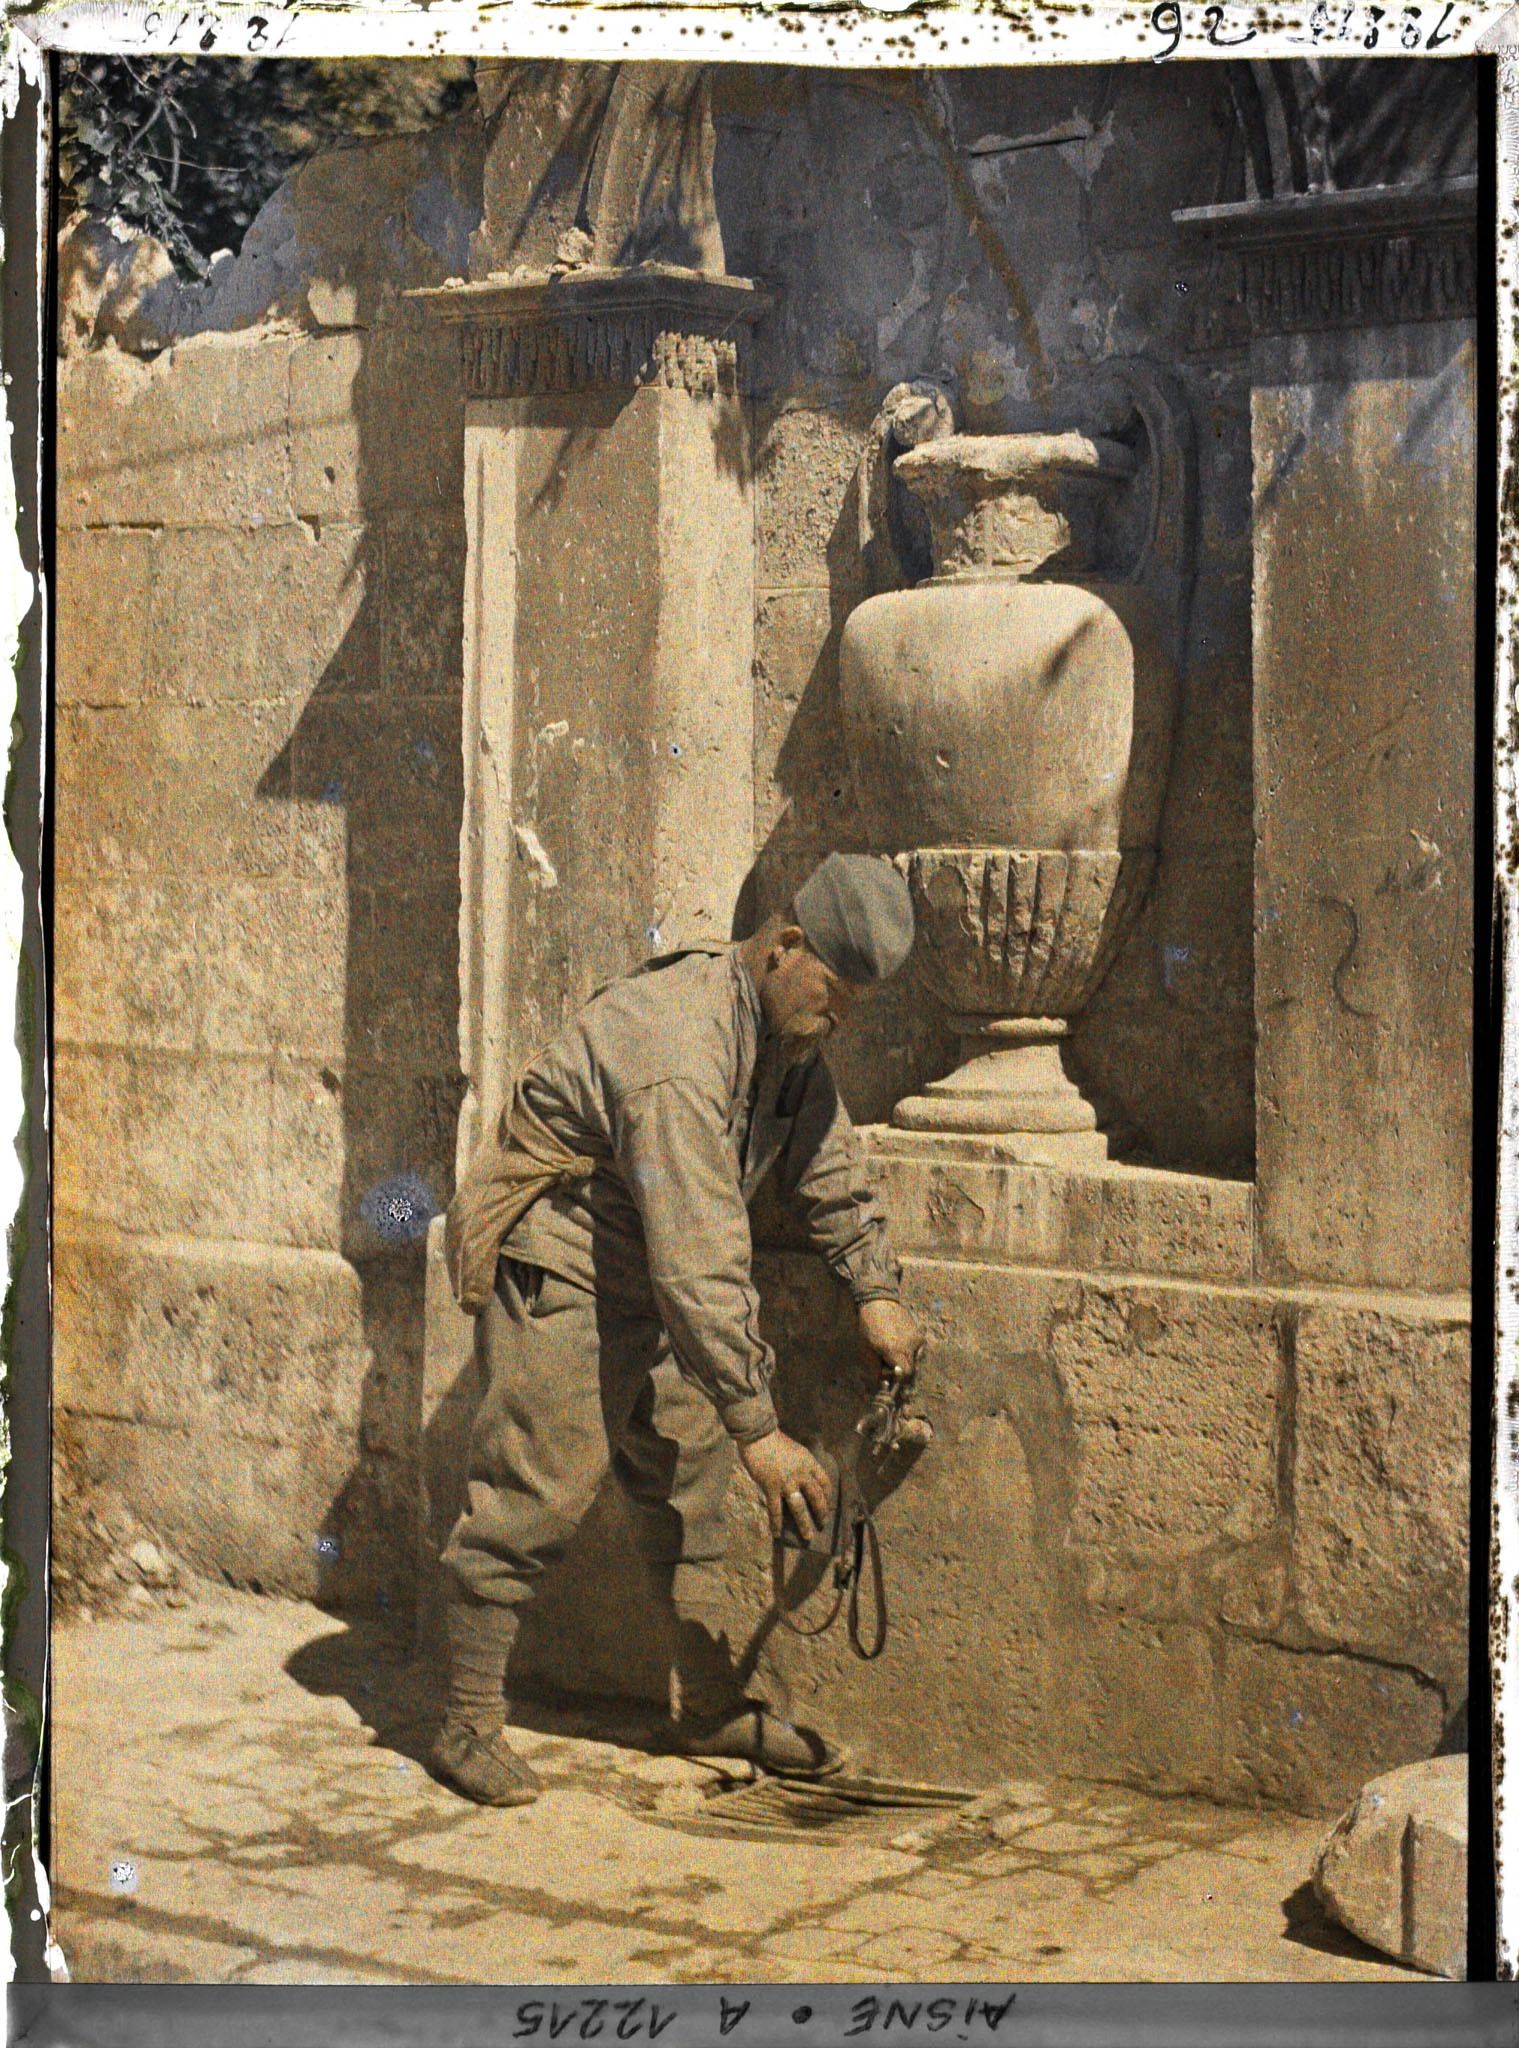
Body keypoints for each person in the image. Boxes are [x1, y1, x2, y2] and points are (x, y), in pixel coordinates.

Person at [431, 852, 924, 1807]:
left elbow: (824, 1158)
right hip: (563, 1248)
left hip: (650, 1262)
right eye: (834, 993)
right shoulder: (678, 1048)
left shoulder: (781, 1031)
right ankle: (462, 1718)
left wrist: (874, 1287)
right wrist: (763, 1430)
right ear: (785, 947)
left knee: (689, 1473)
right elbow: (698, 1255)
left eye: (855, 1006)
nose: (839, 1020)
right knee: (536, 1480)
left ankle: (704, 1705)